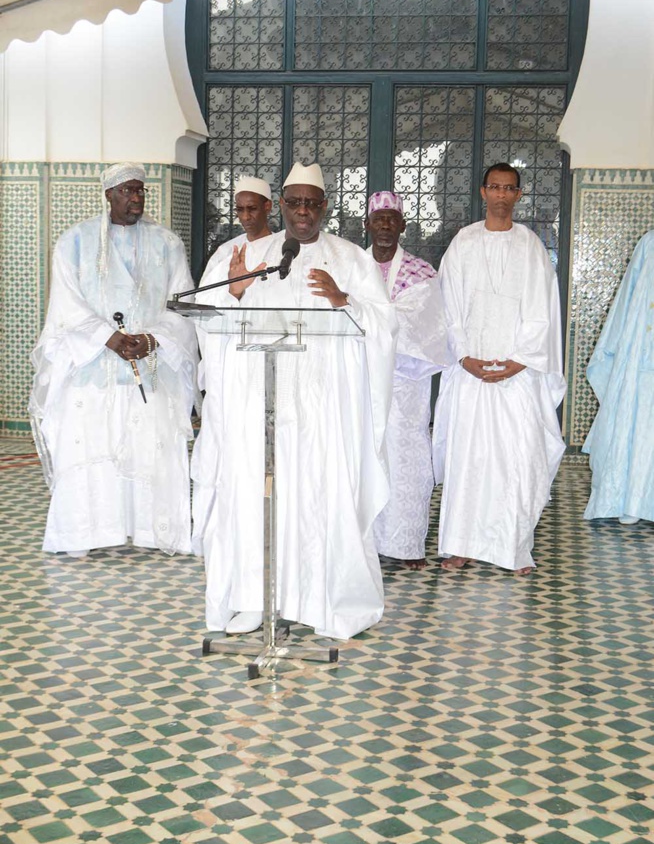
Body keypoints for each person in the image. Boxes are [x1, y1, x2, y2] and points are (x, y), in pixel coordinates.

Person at [192, 162, 397, 637]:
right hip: (262, 405)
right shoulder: (252, 254)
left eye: (312, 203)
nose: (303, 212)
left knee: (319, 496)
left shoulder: (350, 258)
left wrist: (346, 299)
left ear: (325, 207)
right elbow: (209, 323)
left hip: (324, 409)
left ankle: (322, 599)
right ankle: (251, 597)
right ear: (280, 206)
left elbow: (385, 323)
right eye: (294, 202)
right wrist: (237, 292)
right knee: (255, 495)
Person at [29, 162, 198, 557]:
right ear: (108, 194)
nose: (135, 198)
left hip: (151, 370)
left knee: (151, 447)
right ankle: (85, 535)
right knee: (91, 450)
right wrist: (108, 337)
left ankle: (152, 532)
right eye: (126, 191)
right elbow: (66, 306)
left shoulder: (167, 244)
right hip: (93, 371)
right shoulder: (74, 241)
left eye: (140, 191)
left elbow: (183, 304)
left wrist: (153, 337)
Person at [432, 162, 566, 575]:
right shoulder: (463, 242)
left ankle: (511, 547)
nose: (502, 195)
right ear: (483, 191)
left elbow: (542, 311)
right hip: (470, 370)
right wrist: (464, 355)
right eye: (495, 187)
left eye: (510, 189)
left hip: (517, 374)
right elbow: (447, 304)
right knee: (467, 460)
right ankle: (460, 545)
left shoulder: (531, 247)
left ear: (519, 195)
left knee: (515, 460)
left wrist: (518, 361)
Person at [365, 191, 449, 569]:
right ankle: (362, 541)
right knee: (363, 456)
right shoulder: (351, 266)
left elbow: (425, 324)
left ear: (402, 225)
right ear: (367, 224)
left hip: (404, 383)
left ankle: (406, 543)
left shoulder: (422, 272)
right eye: (378, 218)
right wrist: (384, 317)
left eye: (391, 219)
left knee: (405, 458)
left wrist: (372, 315)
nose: (384, 225)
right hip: (362, 380)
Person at [582, 230, 654, 524]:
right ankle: (634, 502)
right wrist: (614, 346)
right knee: (639, 427)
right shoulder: (650, 243)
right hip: (643, 355)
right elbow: (630, 298)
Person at [205, 176, 274, 273]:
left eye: (252, 208)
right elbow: (209, 287)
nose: (245, 217)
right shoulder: (225, 252)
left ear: (267, 206)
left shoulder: (282, 248)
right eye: (240, 210)